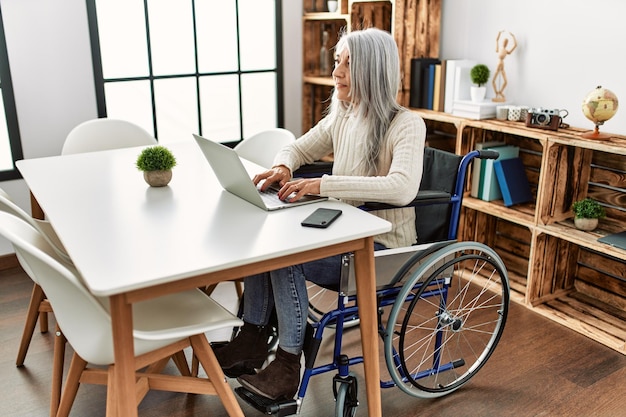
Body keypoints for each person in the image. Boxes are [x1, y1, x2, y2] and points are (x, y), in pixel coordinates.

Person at [214, 27, 426, 401]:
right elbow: (296, 148)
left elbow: (402, 188)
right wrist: (283, 167)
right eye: (337, 62)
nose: (337, 72)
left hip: (380, 248)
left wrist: (323, 185)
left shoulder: (405, 124)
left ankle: (286, 363)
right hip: (343, 232)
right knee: (266, 239)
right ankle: (251, 338)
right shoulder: (344, 113)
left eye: (348, 64)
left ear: (373, 71)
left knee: (286, 254)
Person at [492, 30, 517, 102]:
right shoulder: (499, 49)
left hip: (502, 64)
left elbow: (515, 45)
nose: (505, 43)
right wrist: (499, 33)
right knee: (494, 80)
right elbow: (496, 40)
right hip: (499, 63)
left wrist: (513, 36)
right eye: (504, 42)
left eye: (506, 42)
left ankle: (500, 92)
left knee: (505, 81)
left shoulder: (506, 51)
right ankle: (496, 92)